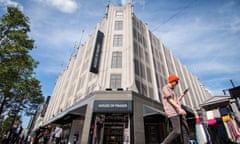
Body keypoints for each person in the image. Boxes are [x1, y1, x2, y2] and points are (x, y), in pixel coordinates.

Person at [161, 74, 190, 144]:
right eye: (176, 82)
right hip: (173, 112)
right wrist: (179, 109)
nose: (177, 84)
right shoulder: (165, 88)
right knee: (177, 131)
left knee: (186, 130)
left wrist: (183, 95)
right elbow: (170, 100)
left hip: (178, 112)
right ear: (172, 81)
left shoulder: (173, 91)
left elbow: (176, 100)